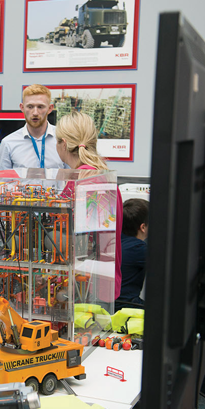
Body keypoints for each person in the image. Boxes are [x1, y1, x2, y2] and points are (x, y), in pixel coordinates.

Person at [55, 111, 122, 300]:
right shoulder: (103, 176)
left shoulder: (81, 182)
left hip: (85, 288)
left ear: (64, 144)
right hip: (103, 283)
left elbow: (73, 243)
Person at [0, 84, 66, 170]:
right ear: (22, 108)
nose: (35, 113)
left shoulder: (63, 139)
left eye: (40, 107)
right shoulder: (8, 143)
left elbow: (72, 175)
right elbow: (2, 177)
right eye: (30, 107)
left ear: (50, 108)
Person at [116, 198, 148, 309]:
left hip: (111, 303)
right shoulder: (139, 249)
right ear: (143, 227)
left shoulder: (116, 240)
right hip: (126, 305)